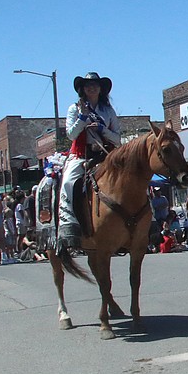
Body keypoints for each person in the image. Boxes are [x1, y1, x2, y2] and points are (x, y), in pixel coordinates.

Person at [58, 71, 121, 254]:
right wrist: (83, 118)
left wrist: (102, 129)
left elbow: (117, 139)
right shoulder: (74, 109)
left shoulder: (108, 111)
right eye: (87, 85)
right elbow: (71, 134)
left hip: (105, 154)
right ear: (82, 89)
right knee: (69, 182)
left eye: (95, 85)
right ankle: (68, 223)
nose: (91, 88)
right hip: (81, 155)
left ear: (101, 89)